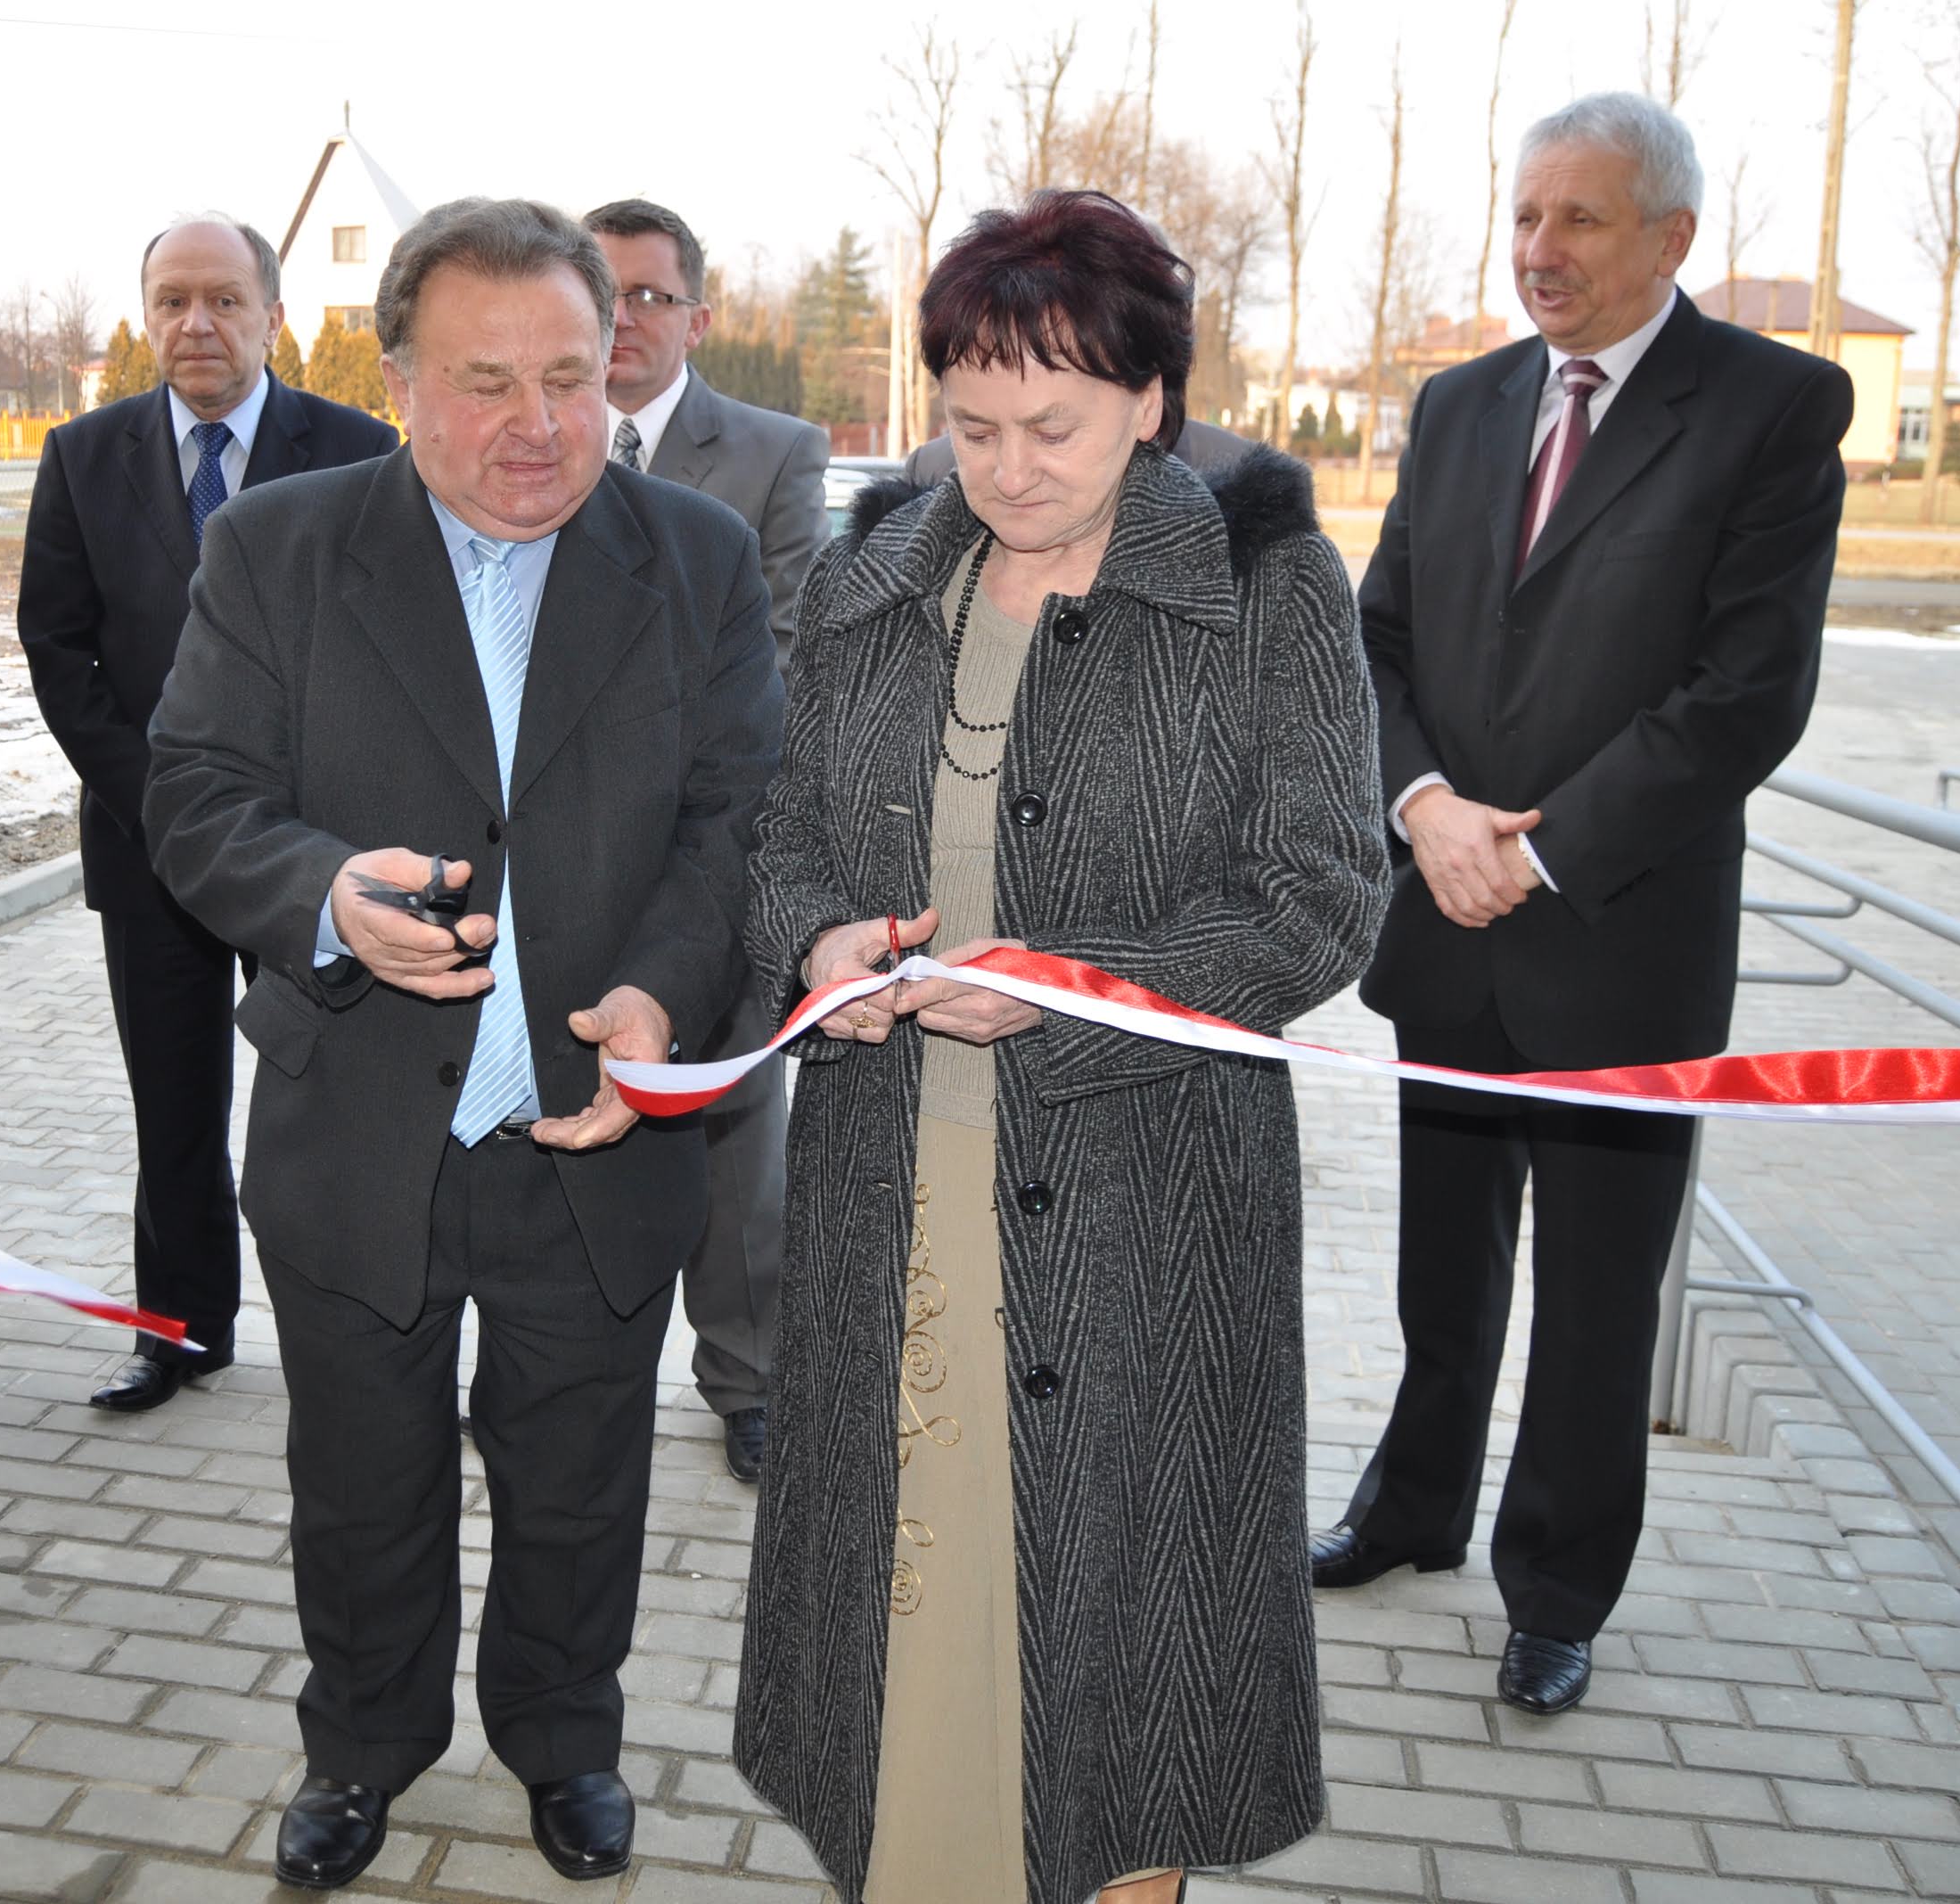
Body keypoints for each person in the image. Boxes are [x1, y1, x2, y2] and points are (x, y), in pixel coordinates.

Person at [732, 190, 1388, 1904]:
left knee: (1120, 1668)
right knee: (903, 1626)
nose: (1006, 468)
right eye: (969, 425)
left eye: (1055, 426)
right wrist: (815, 945)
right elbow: (782, 833)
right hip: (896, 1187)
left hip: (1146, 1205)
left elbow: (1322, 897)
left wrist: (1080, 986)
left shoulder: (1271, 589)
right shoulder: (872, 578)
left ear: (1153, 403)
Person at [143, 198, 779, 1891]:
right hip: (359, 1129)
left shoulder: (695, 559)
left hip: (595, 1129)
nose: (539, 426)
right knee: (361, 1487)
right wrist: (322, 892)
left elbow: (733, 824)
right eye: (487, 382)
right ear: (398, 377)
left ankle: (564, 1740)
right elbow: (193, 796)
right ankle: (361, 1746)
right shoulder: (276, 550)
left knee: (581, 1481)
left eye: (571, 376)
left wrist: (658, 992)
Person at [1324, 92, 1850, 1716]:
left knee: (1600, 1292)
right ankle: (1413, 1507)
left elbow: (1743, 692)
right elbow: (1380, 638)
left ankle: (1556, 1585)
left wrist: (1532, 849)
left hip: (1616, 935)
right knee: (1440, 1266)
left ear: (1671, 238)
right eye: (1526, 215)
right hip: (1444, 917)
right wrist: (1423, 811)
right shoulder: (1462, 403)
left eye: (1580, 219)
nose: (1538, 250)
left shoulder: (1771, 408)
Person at [20, 217, 396, 1412]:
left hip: (310, 853)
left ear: (271, 316)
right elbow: (57, 645)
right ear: (144, 316)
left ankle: (369, 1339)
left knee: (337, 1102)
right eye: (174, 300)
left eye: (225, 300)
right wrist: (164, 808)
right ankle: (178, 1331)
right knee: (171, 1104)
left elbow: (391, 642)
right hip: (149, 852)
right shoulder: (83, 455)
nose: (198, 323)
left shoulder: (352, 448)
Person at [583, 196, 827, 1481]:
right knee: (571, 1110)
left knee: (736, 1128)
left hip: (720, 840)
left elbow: (780, 647)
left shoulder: (776, 452)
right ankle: (561, 1358)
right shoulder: (537, 438)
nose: (624, 319)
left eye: (650, 296)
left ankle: (746, 1377)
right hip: (560, 854)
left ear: (698, 315)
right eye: (602, 292)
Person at [902, 406, 1252, 488]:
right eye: (978, 435)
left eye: (1053, 435)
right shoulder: (929, 469)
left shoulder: (1242, 471)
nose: (1012, 480)